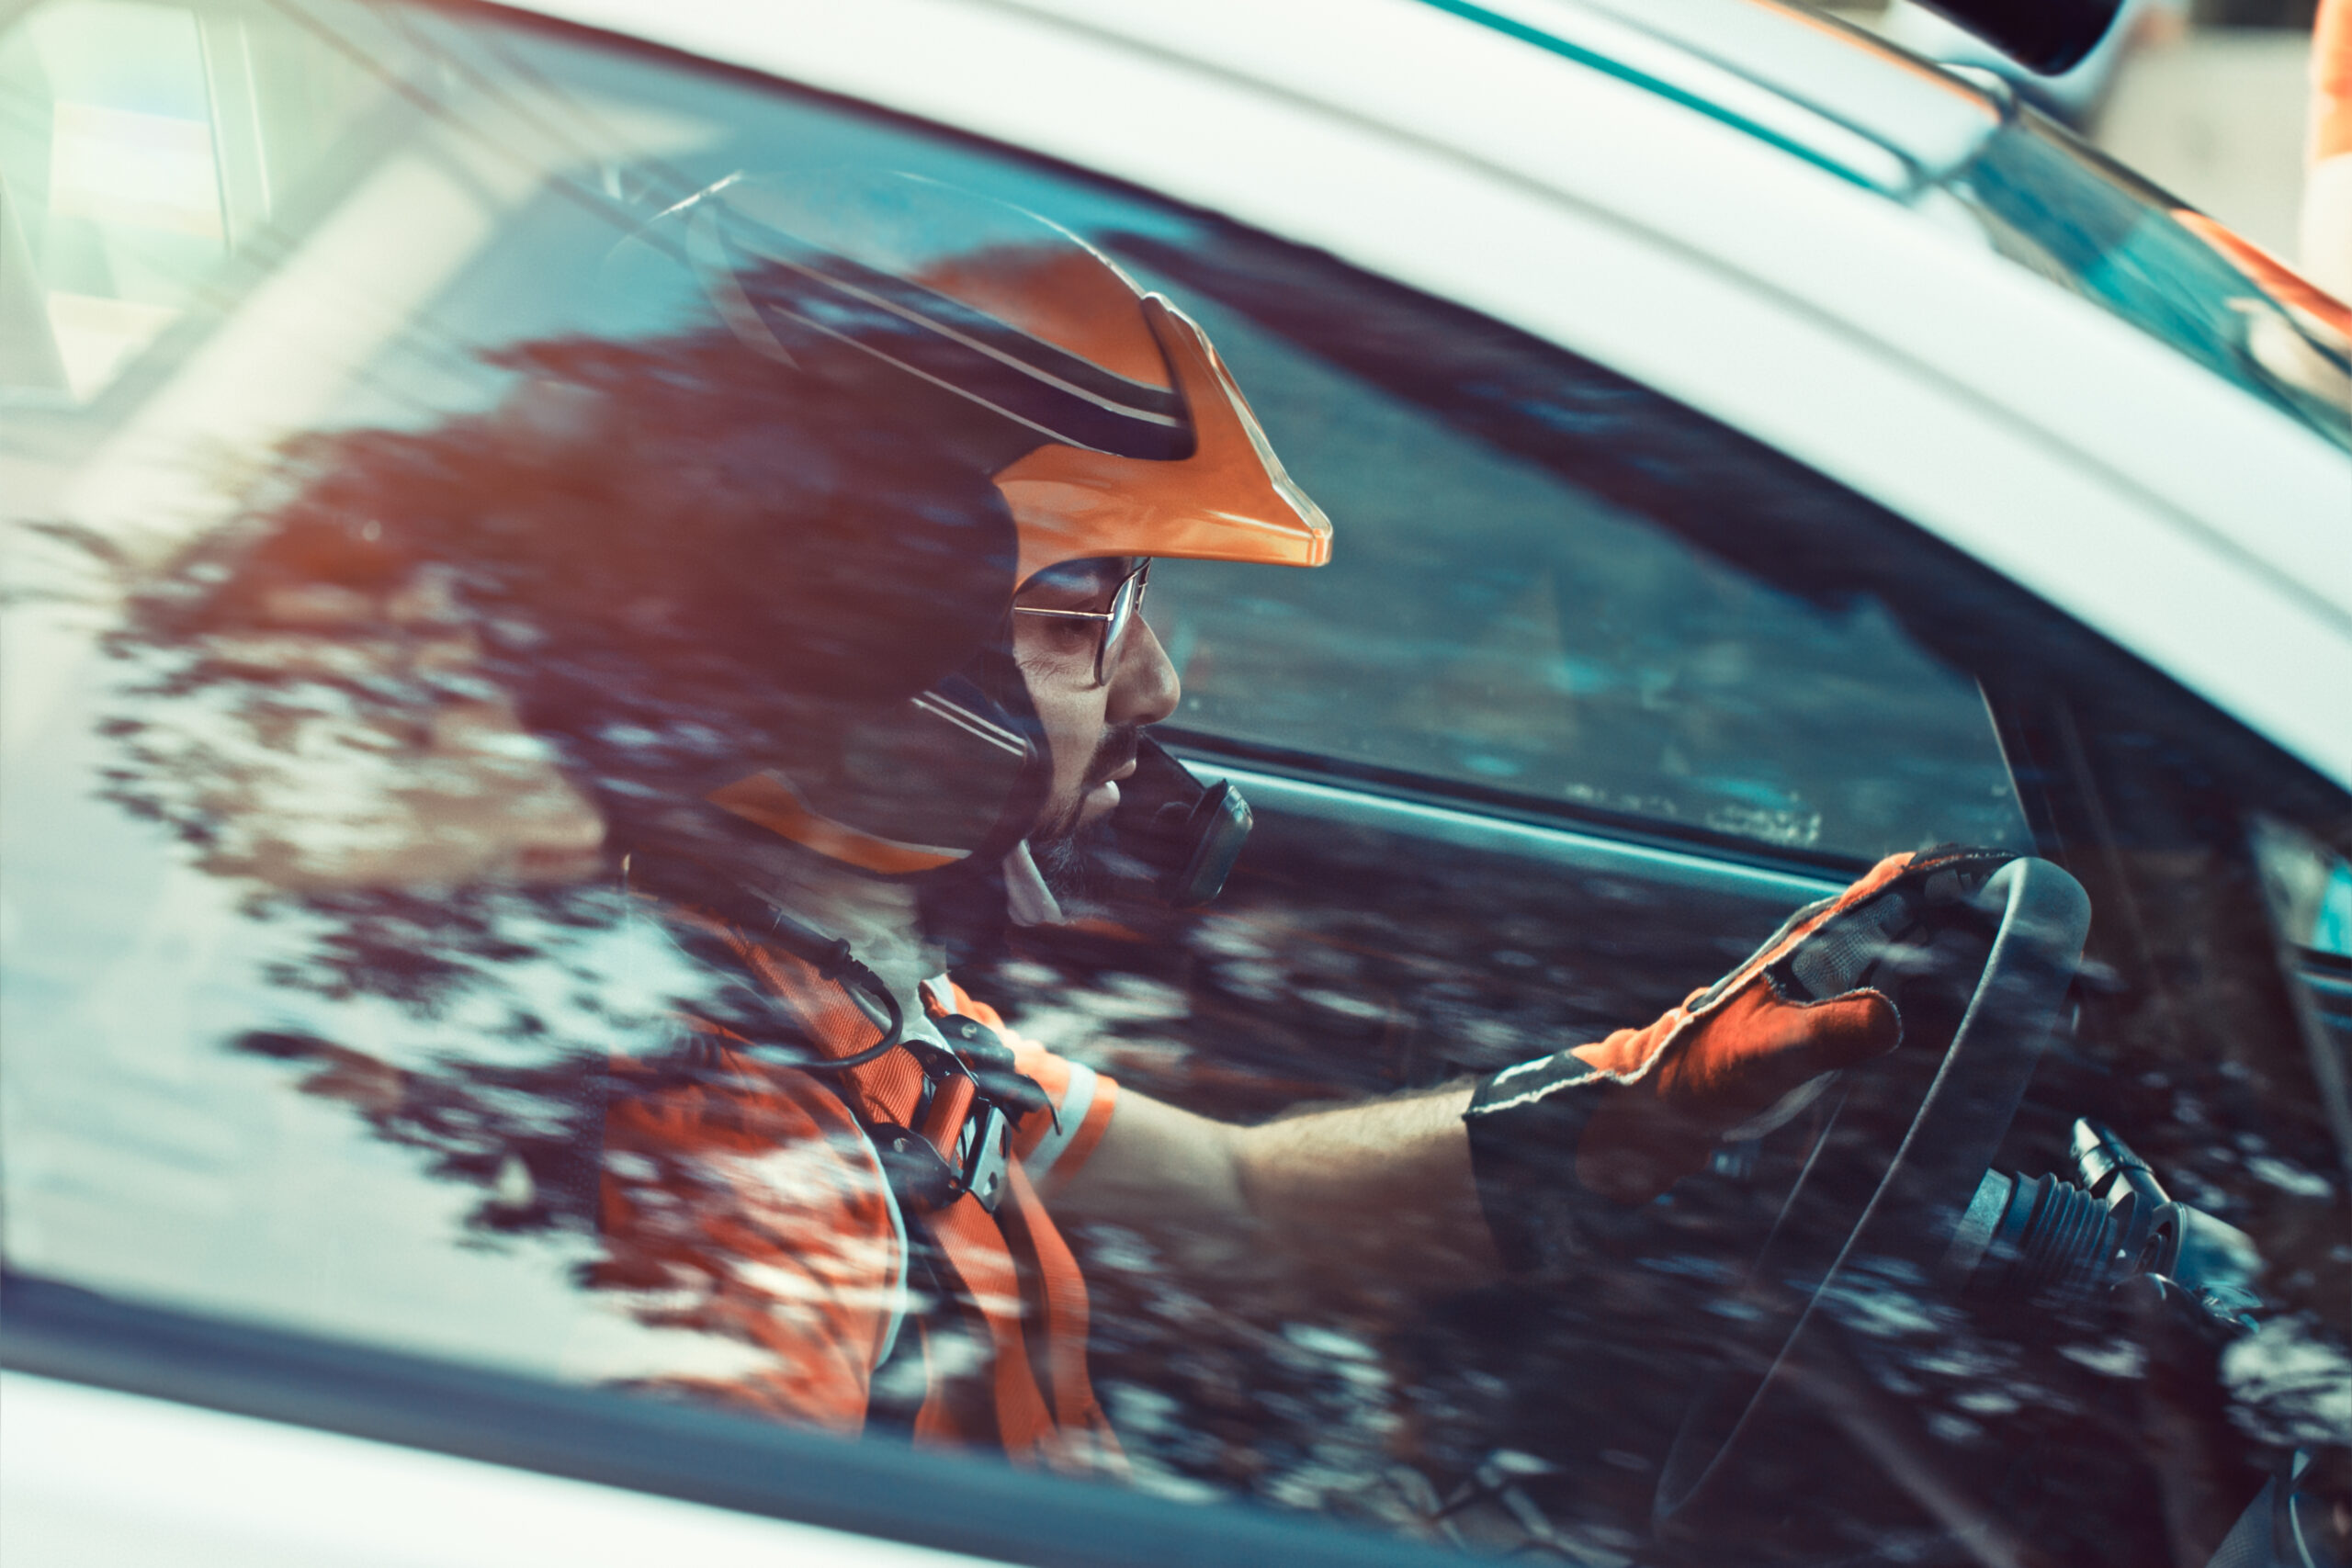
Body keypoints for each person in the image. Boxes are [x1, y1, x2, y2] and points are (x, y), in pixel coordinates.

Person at [133, 168, 2017, 1473]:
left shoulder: (853, 1005)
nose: (1156, 689)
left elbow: (1248, 1209)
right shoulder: (727, 1148)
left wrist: (1645, 1091)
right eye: (1077, 619)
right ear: (855, 649)